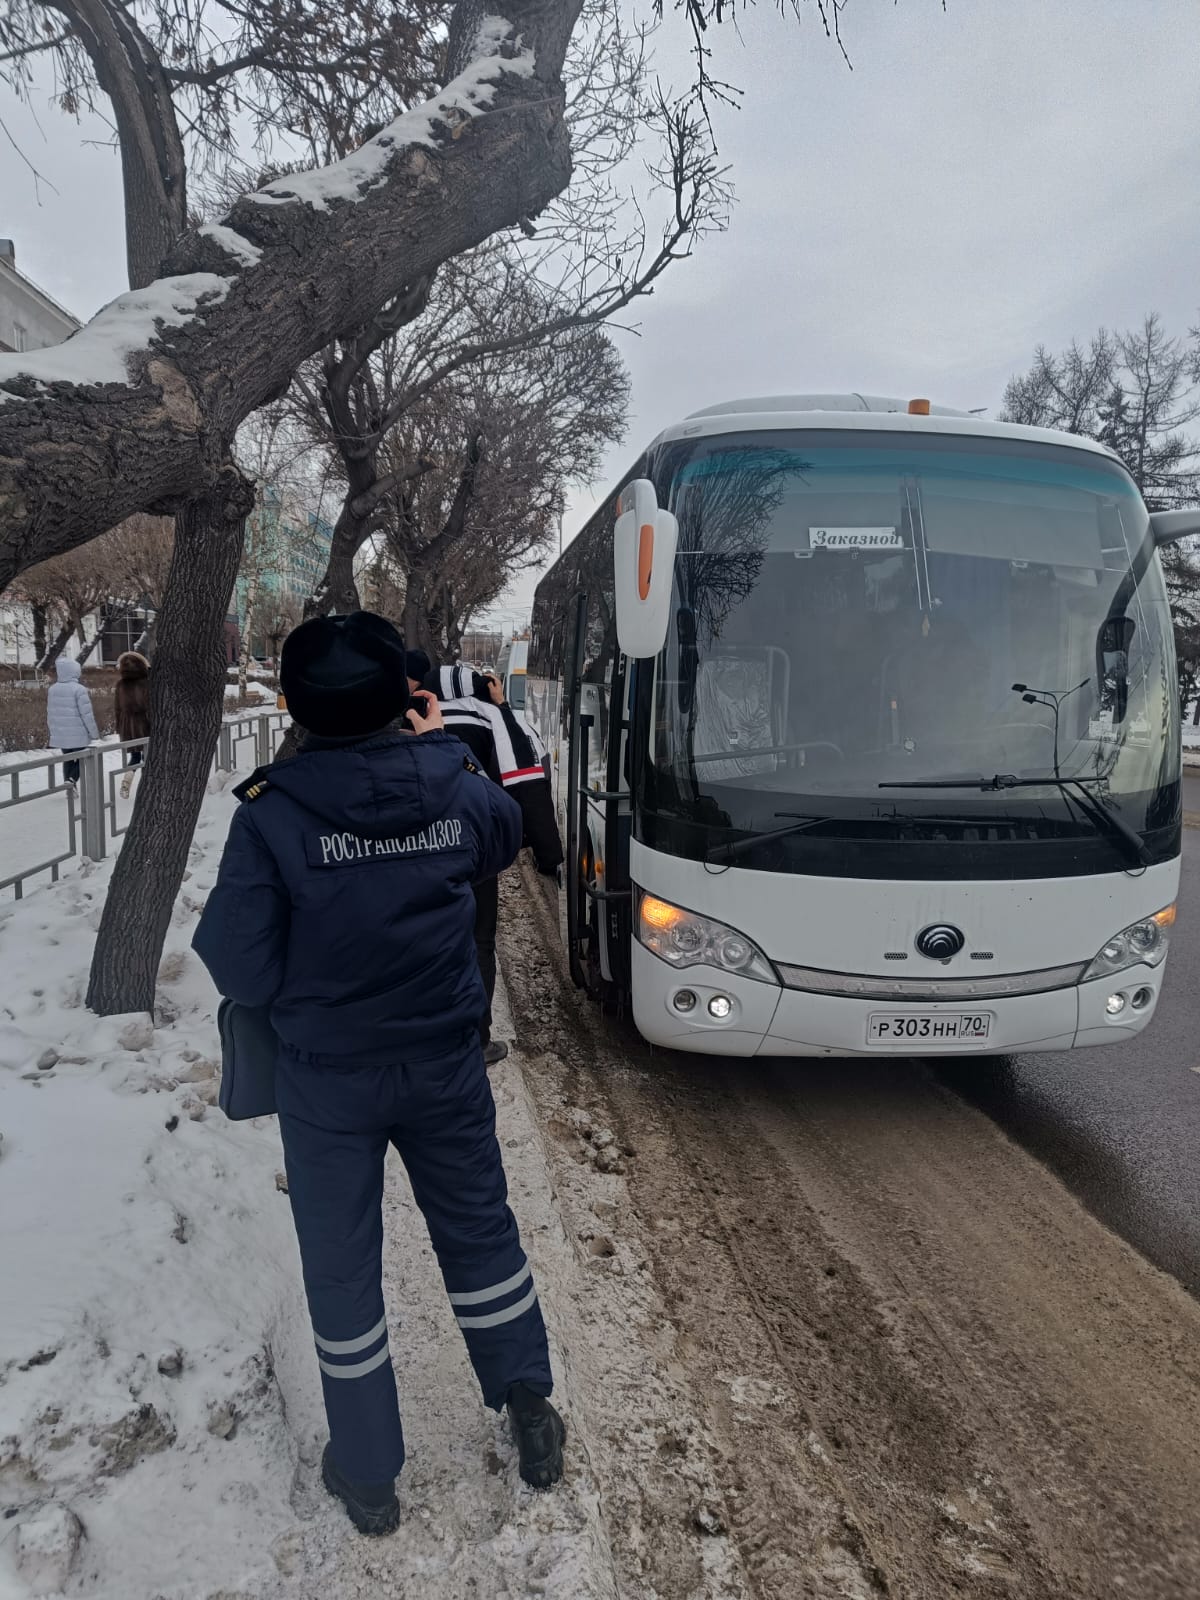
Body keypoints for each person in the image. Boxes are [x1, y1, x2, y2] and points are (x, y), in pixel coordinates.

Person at [193, 613, 565, 1537]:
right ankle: (527, 1408)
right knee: (481, 1235)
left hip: (327, 1085)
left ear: (297, 706)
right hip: (444, 1065)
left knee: (343, 1268)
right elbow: (501, 843)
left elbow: (239, 965)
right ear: (402, 698)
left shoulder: (271, 812)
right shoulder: (454, 783)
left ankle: (366, 1476)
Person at [405, 651, 563, 1066]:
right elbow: (527, 783)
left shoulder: (406, 723)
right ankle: (477, 1040)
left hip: (410, 855)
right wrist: (548, 855)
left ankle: (423, 1036)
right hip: (474, 853)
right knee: (478, 942)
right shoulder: (494, 721)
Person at [46, 656, 99, 788]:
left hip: (61, 733)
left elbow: (50, 713)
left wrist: (53, 731)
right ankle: (72, 780)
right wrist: (94, 733)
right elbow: (86, 714)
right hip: (78, 733)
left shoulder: (52, 689)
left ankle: (68, 785)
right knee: (82, 759)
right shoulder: (79, 689)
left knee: (68, 759)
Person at [114, 651, 151, 799]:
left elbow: (117, 708)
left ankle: (128, 778)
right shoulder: (147, 683)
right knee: (148, 757)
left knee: (135, 756)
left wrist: (119, 727)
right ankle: (146, 788)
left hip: (127, 726)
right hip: (145, 724)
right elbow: (150, 706)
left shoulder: (120, 684)